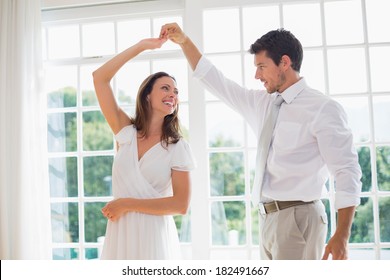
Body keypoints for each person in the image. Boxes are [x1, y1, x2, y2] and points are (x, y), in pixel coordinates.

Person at [160, 23, 362, 260]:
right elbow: (216, 81)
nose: (257, 75)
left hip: (299, 216)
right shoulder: (263, 103)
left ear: (284, 63)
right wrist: (185, 41)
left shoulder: (322, 108)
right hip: (267, 219)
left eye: (262, 67)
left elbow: (346, 170)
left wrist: (343, 234)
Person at [92, 37, 196, 259]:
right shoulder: (125, 133)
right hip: (121, 233)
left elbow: (180, 205)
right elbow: (99, 78)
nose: (173, 95)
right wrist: (141, 46)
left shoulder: (177, 147)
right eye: (165, 88)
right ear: (147, 95)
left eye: (176, 92)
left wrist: (126, 204)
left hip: (154, 237)